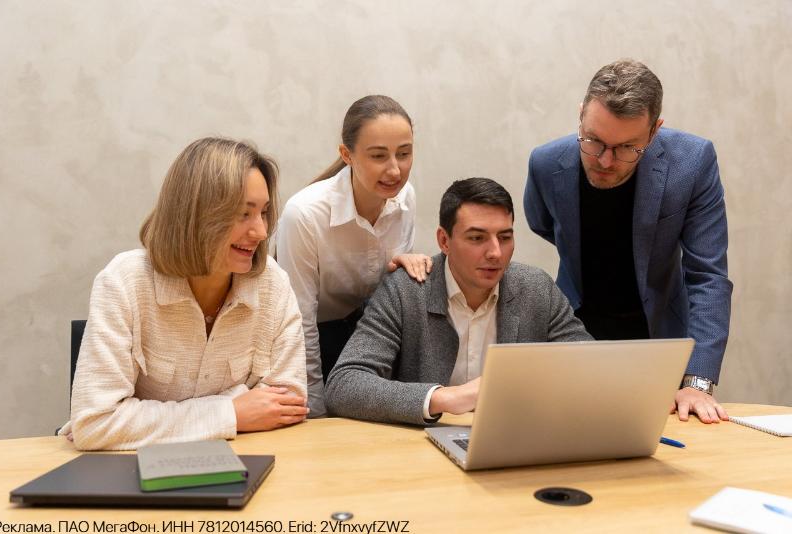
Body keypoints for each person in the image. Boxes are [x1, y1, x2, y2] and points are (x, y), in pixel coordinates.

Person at [64, 138, 308, 450]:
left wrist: (135, 420)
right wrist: (232, 411)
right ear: (196, 215)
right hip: (131, 470)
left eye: (264, 213)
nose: (261, 232)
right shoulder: (124, 282)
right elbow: (95, 422)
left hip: (248, 460)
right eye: (243, 214)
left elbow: (287, 403)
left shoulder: (273, 283)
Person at [524, 59, 733, 424]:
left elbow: (707, 276)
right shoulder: (545, 163)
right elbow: (542, 224)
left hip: (657, 336)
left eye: (625, 148)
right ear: (581, 115)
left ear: (653, 132)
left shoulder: (692, 162)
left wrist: (697, 382)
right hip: (572, 334)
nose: (605, 161)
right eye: (594, 140)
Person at [325, 178, 591, 425]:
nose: (495, 253)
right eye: (477, 238)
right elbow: (344, 385)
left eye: (505, 237)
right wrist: (444, 398)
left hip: (516, 437)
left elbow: (590, 367)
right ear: (444, 240)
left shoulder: (536, 289)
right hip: (422, 447)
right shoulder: (405, 291)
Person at [276, 95, 432, 418]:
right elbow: (300, 326)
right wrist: (315, 411)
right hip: (312, 340)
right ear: (346, 155)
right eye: (378, 156)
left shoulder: (405, 197)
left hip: (367, 336)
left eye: (404, 153)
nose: (395, 169)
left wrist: (402, 265)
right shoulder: (304, 214)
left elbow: (388, 294)